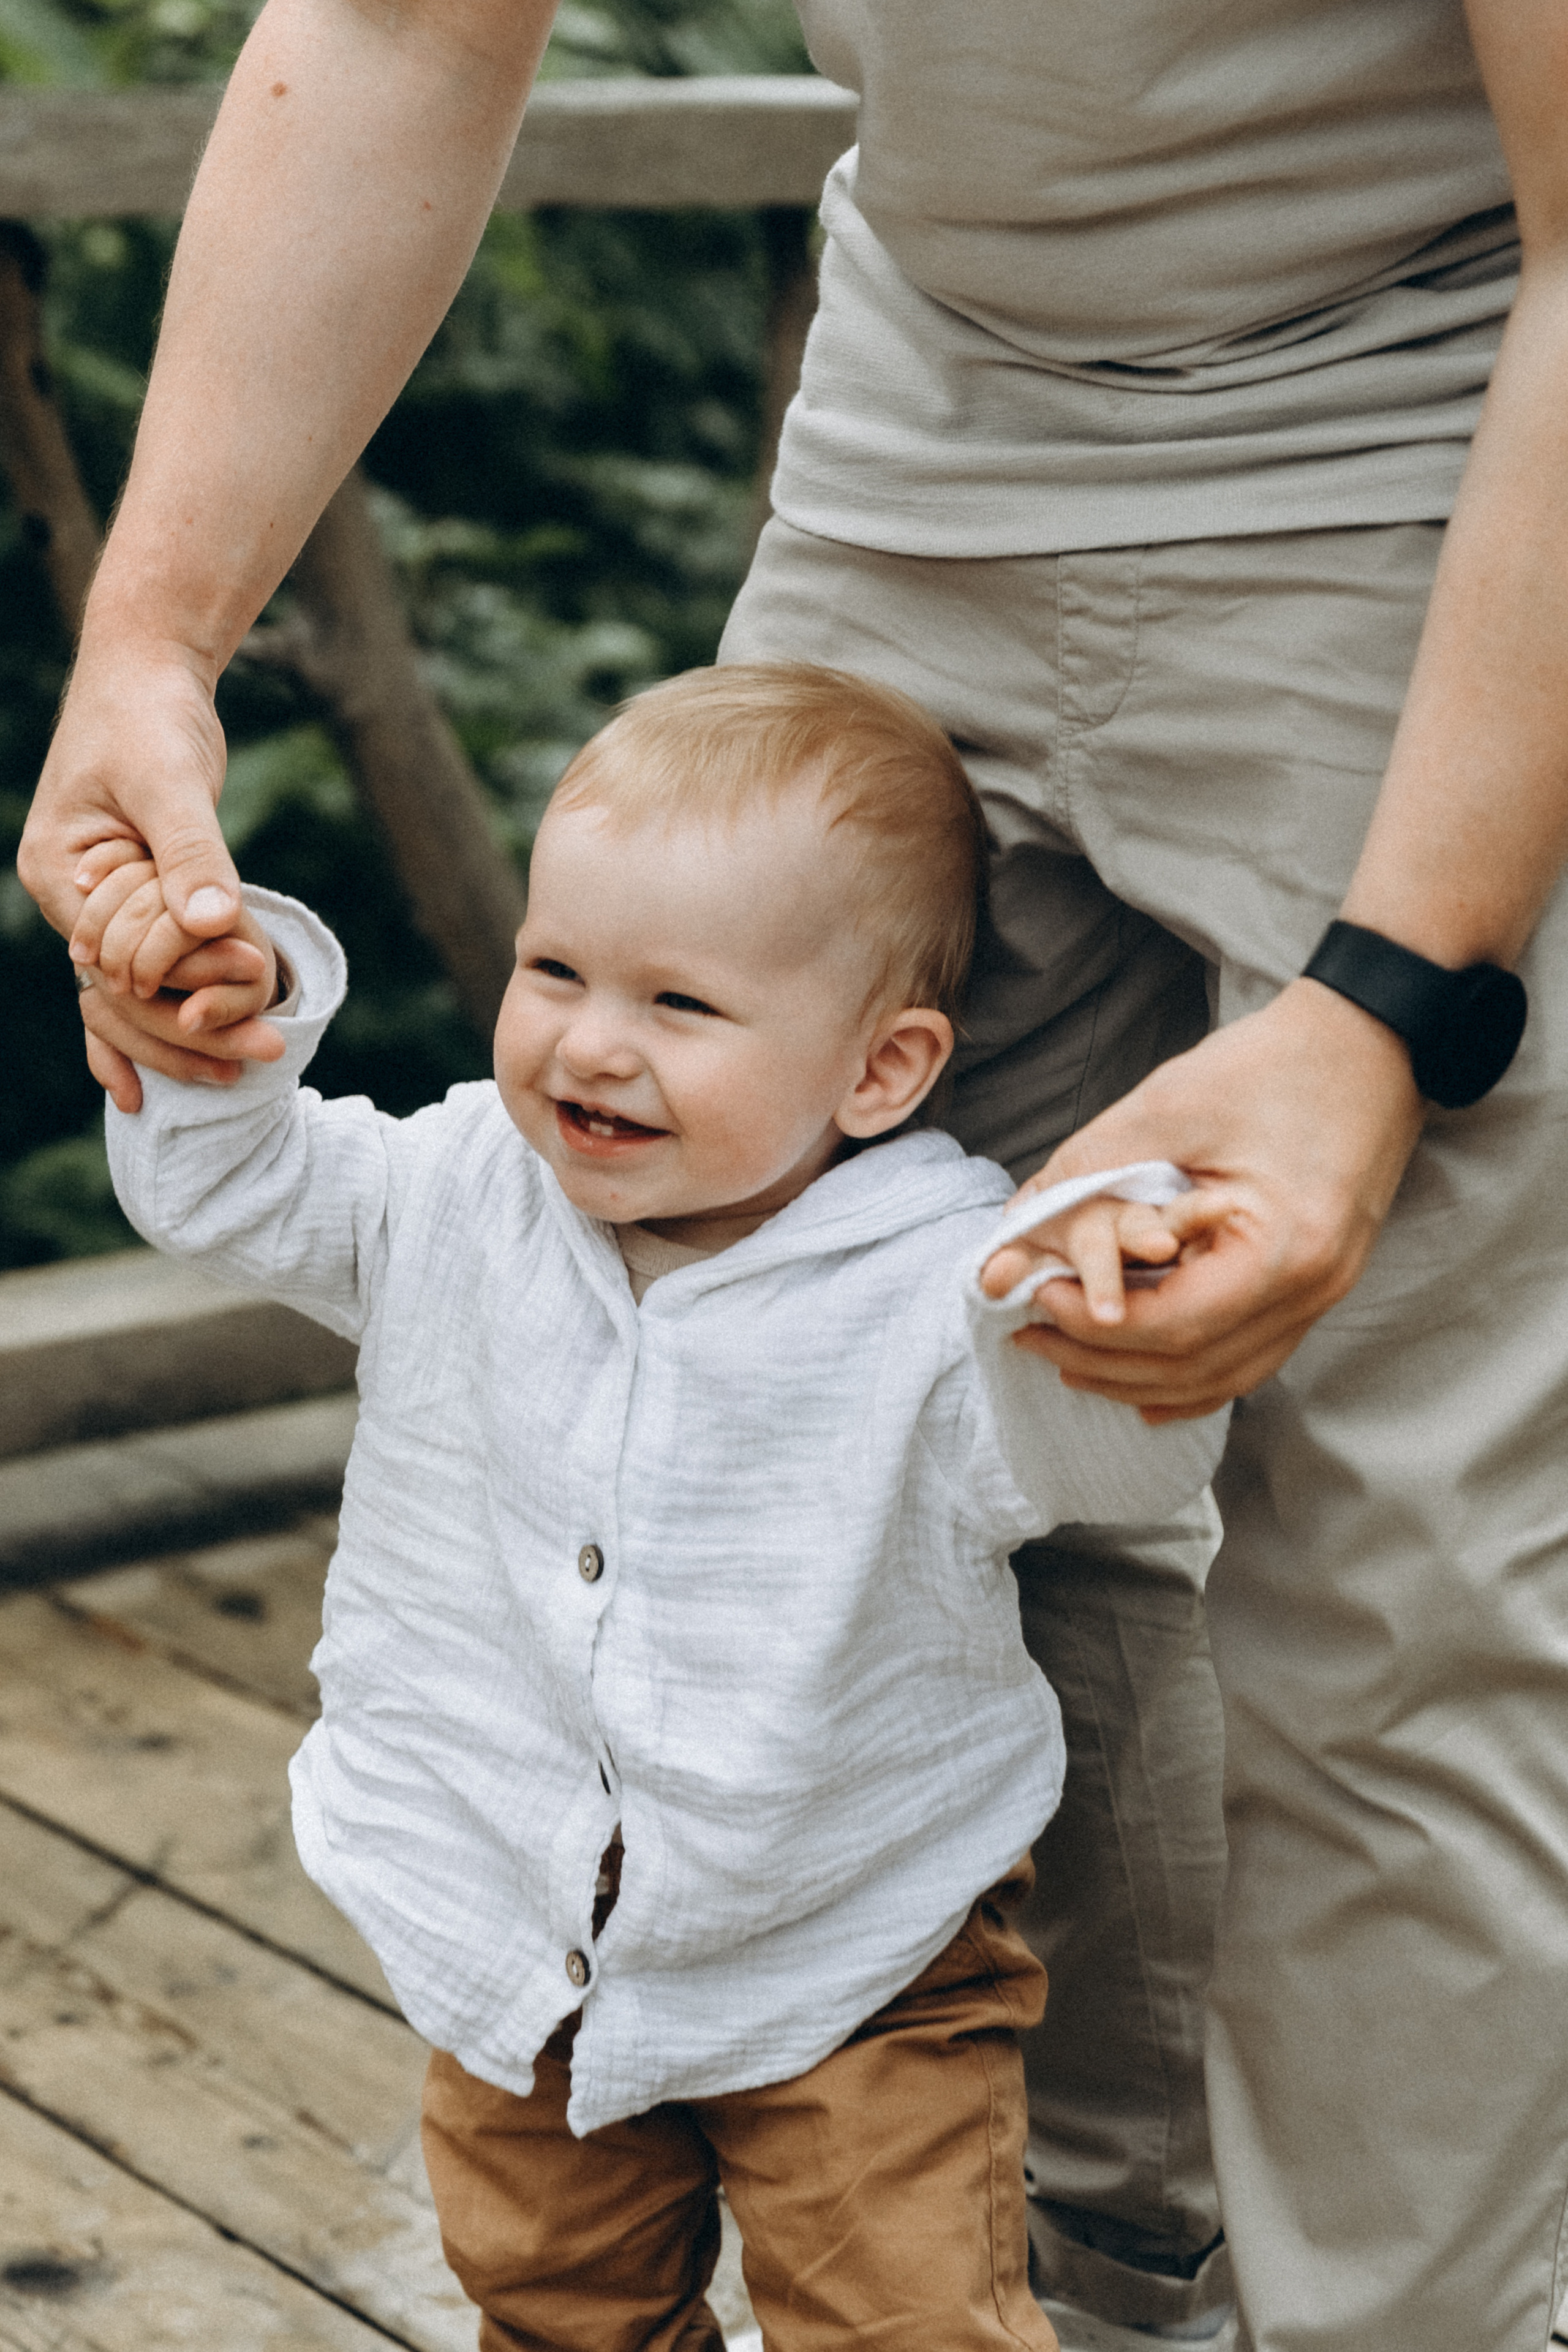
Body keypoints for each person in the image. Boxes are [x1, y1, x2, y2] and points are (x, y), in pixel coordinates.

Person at [18, 3, 1568, 2345]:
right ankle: (1095, 2268)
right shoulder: (462, 1184)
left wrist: (1385, 1007)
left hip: (1441, 438)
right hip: (928, 420)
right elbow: (401, 15)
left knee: (1400, 1593)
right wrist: (151, 639)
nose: (588, 1046)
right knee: (935, 1506)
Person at [88, 661, 1232, 2352]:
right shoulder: (458, 1185)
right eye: (557, 969)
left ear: (881, 1069)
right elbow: (228, 1188)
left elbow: (1108, 1470)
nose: (591, 1041)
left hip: (848, 1954)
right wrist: (211, 1045)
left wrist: (1103, 1316)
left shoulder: (941, 1284)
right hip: (517, 1932)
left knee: (907, 2320)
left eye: (681, 1007)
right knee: (551, 2301)